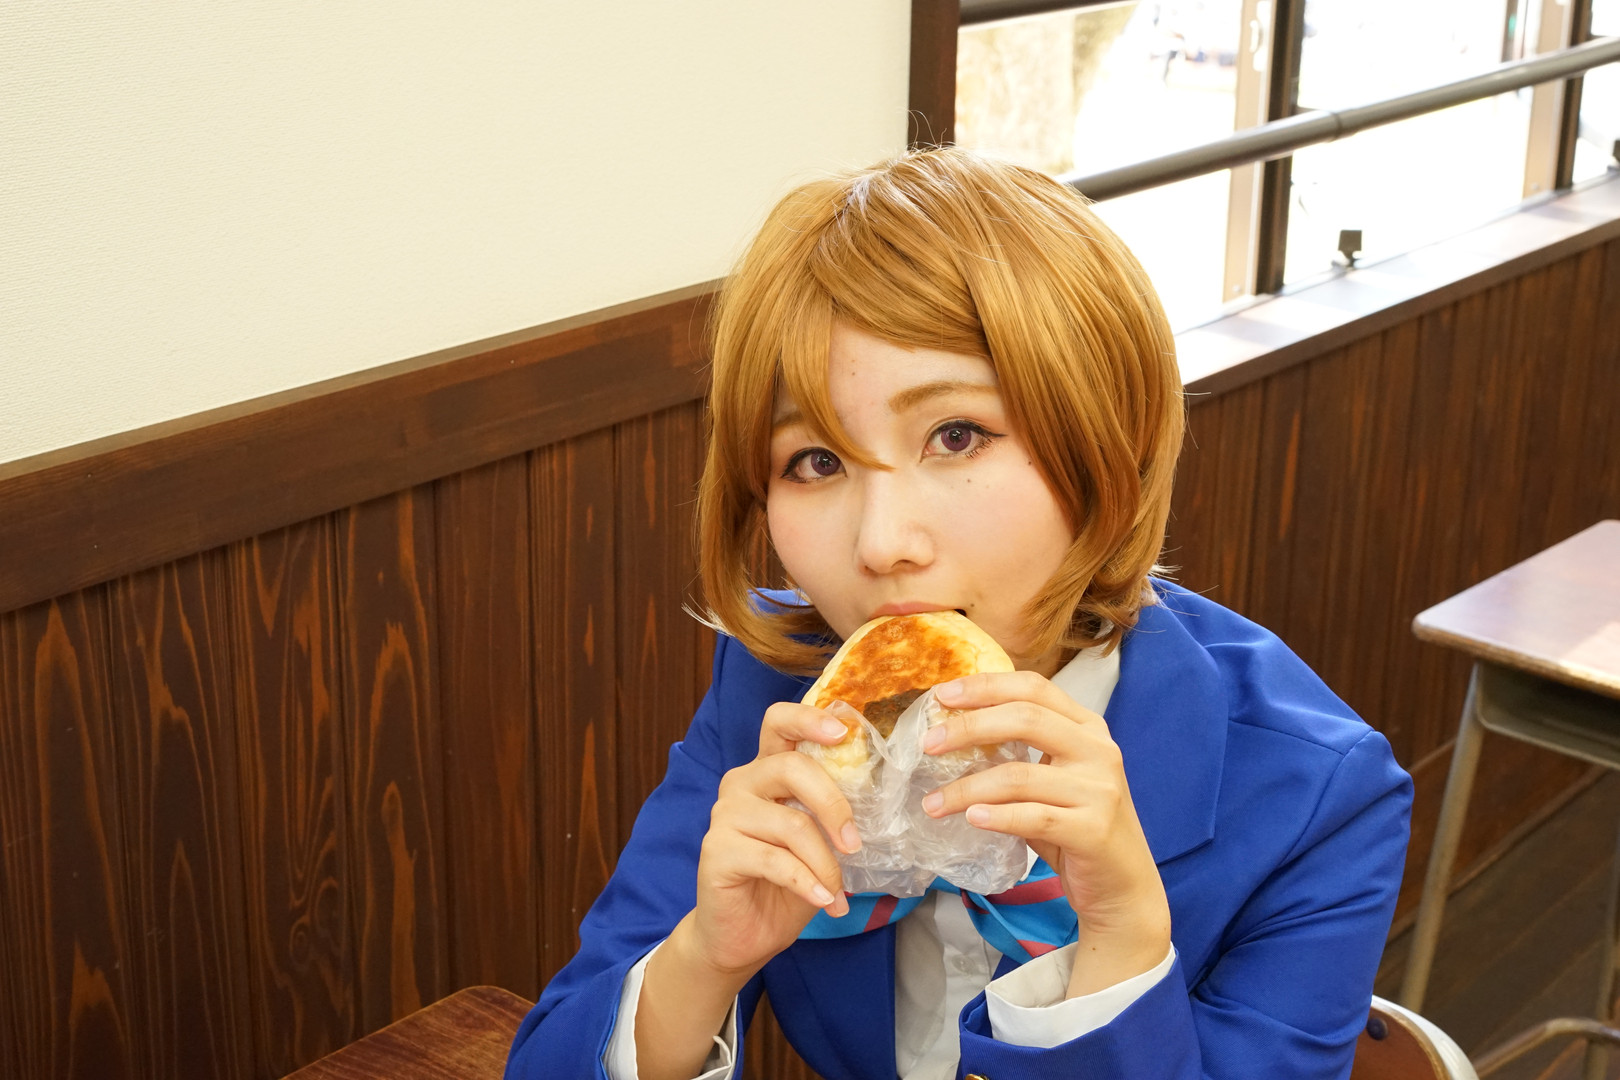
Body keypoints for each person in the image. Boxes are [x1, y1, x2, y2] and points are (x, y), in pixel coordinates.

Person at [504, 148, 1412, 1080]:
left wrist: (1120, 943)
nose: (880, 544)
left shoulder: (1320, 797)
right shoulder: (781, 691)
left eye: (957, 434)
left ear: (1111, 444)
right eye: (816, 461)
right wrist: (703, 957)